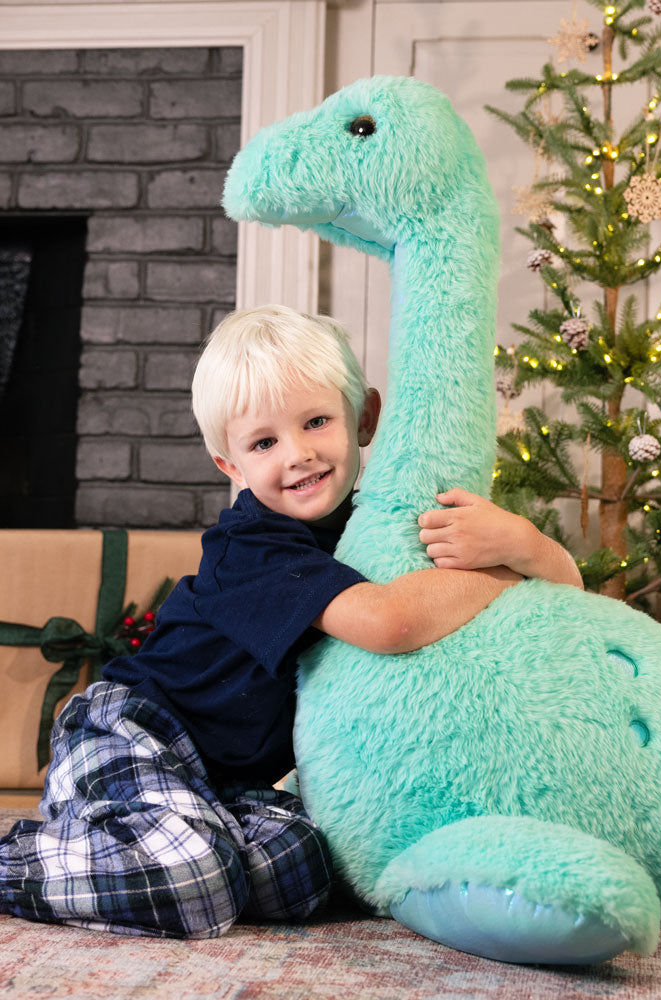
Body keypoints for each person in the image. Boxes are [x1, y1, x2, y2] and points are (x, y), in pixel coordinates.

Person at [0, 305, 582, 940]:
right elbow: (390, 622)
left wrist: (525, 543)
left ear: (365, 417)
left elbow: (571, 591)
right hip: (130, 732)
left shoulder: (377, 527)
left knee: (302, 866)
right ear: (231, 466)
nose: (298, 455)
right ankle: (31, 854)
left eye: (316, 422)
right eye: (264, 443)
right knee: (197, 880)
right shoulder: (251, 549)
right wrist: (504, 569)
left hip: (228, 781)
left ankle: (154, 838)